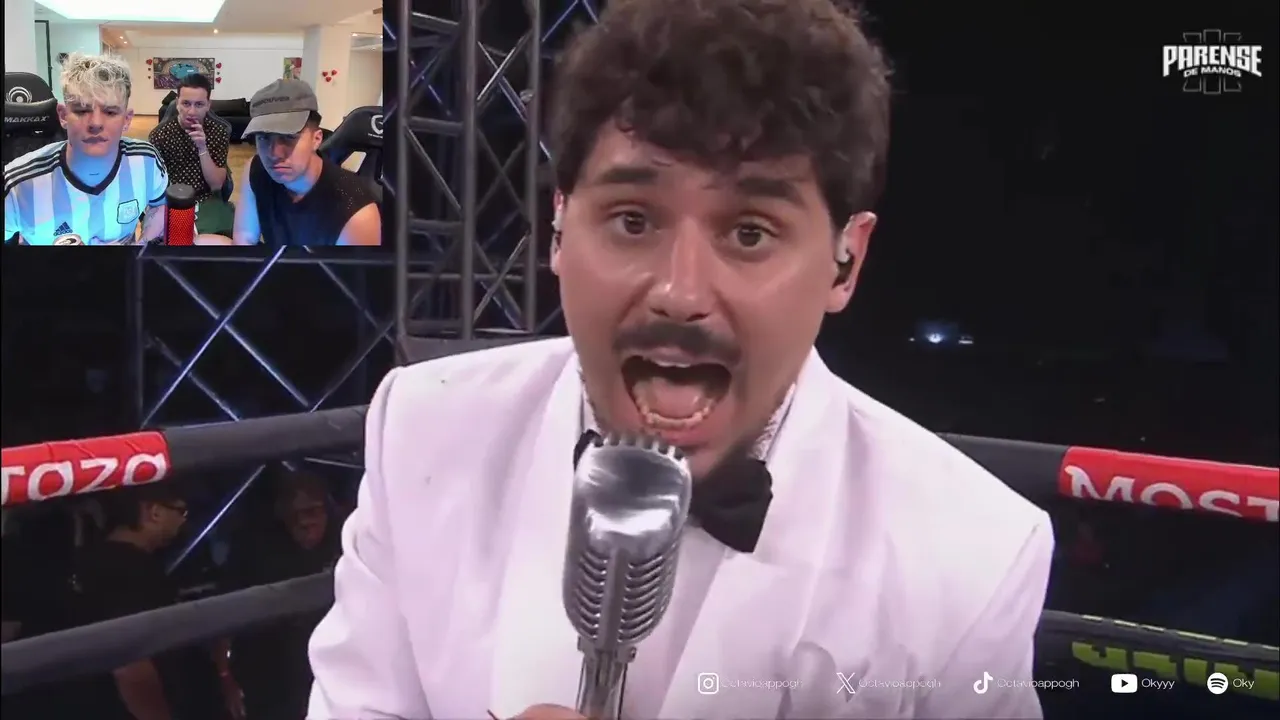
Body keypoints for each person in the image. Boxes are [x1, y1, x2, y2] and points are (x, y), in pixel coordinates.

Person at [307, 1, 1054, 719]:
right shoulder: (424, 430)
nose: (680, 292)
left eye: (750, 232)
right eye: (633, 220)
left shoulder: (971, 554)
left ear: (844, 261)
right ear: (560, 226)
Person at [69, 483, 243, 720]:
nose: (183, 521)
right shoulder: (131, 572)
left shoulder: (102, 561)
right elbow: (130, 667)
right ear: (154, 512)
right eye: (180, 512)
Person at [3, 52, 168, 245]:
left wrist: (142, 247)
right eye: (82, 110)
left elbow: (159, 206)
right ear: (63, 116)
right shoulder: (17, 184)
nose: (96, 123)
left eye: (110, 112)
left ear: (126, 120)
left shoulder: (147, 161)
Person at [224, 470, 341, 719]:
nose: (305, 522)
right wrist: (225, 676)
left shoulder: (345, 538)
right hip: (270, 673)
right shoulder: (255, 549)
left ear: (325, 511)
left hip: (332, 665)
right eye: (296, 515)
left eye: (312, 512)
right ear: (282, 515)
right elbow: (220, 615)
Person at [220, 79, 380, 247]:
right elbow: (244, 239)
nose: (275, 154)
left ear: (316, 139)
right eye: (264, 137)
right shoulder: (256, 169)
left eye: (289, 137)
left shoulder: (356, 211)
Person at [148, 73, 234, 236]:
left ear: (208, 105)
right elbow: (154, 185)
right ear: (177, 103)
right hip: (171, 199)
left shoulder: (218, 131)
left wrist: (202, 148)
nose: (192, 111)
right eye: (186, 103)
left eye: (199, 104)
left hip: (206, 198)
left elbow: (216, 184)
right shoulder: (160, 135)